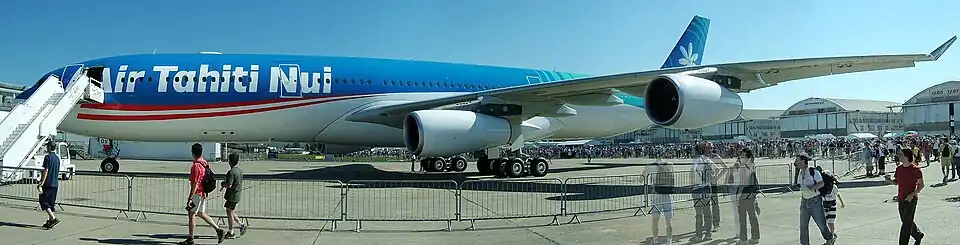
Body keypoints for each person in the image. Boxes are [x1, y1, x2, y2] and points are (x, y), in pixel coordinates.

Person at [180, 143, 226, 245]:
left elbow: (195, 183)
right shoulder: (204, 162)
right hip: (203, 192)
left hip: (197, 193)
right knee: (201, 213)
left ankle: (191, 239)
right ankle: (218, 230)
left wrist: (190, 198)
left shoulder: (196, 165)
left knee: (191, 214)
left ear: (192, 153)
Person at [883, 149, 925, 245]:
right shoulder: (899, 169)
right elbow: (897, 182)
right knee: (906, 221)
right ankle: (918, 235)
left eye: (901, 154)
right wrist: (890, 181)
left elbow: (921, 185)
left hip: (911, 199)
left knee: (906, 224)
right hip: (901, 198)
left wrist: (912, 194)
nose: (899, 156)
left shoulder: (916, 170)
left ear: (906, 156)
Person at [794, 154, 835, 245]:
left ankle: (829, 238)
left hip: (815, 201)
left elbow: (821, 183)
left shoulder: (813, 171)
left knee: (821, 224)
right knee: (803, 225)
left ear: (803, 162)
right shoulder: (800, 173)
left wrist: (811, 188)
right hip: (804, 201)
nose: (795, 162)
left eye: (797, 160)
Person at [643, 151, 675, 245]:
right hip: (668, 196)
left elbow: (642, 177)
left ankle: (655, 240)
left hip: (656, 196)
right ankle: (669, 241)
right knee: (669, 221)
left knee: (655, 220)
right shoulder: (670, 165)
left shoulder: (650, 166)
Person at [690, 142, 717, 241]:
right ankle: (708, 234)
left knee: (699, 213)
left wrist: (692, 183)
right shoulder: (707, 159)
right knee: (707, 211)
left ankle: (698, 235)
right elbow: (717, 169)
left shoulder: (696, 159)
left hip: (698, 188)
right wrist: (714, 178)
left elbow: (692, 170)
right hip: (707, 187)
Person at [735, 148, 760, 244]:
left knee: (742, 217)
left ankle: (743, 238)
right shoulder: (751, 164)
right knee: (752, 215)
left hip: (744, 192)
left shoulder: (743, 166)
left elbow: (741, 181)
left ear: (745, 154)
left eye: (741, 154)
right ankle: (755, 237)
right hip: (751, 192)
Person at [221, 153, 248, 239]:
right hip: (237, 194)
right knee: (231, 211)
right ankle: (241, 224)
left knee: (229, 212)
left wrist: (223, 184)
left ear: (229, 161)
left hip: (232, 195)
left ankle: (231, 232)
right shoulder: (240, 171)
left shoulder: (231, 172)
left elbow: (229, 185)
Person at [37, 140, 61, 229]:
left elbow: (45, 171)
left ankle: (53, 218)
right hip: (55, 183)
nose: (47, 148)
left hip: (48, 183)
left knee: (43, 200)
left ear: (50, 147)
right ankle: (50, 220)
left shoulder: (47, 157)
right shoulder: (57, 158)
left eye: (47, 147)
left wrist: (41, 183)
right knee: (51, 203)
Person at [822, 170, 845, 240]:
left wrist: (842, 203)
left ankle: (832, 234)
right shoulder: (826, 186)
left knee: (830, 221)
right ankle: (832, 232)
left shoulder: (832, 187)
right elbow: (838, 195)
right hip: (828, 205)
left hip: (829, 205)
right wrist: (842, 203)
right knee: (829, 221)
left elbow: (838, 194)